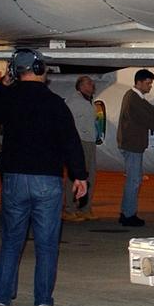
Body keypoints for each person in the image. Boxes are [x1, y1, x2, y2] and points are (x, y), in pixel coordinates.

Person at [0, 48, 87, 306]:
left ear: (15, 72)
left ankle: (2, 302)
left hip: (15, 179)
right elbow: (70, 142)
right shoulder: (55, 103)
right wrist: (80, 176)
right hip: (47, 181)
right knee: (47, 244)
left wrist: (2, 86)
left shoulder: (9, 98)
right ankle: (42, 304)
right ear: (40, 69)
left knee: (11, 243)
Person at [117, 69, 154, 227]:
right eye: (148, 83)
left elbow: (151, 110)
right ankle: (128, 215)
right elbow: (147, 118)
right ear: (138, 82)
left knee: (134, 180)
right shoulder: (133, 99)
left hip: (132, 144)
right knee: (134, 181)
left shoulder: (135, 97)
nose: (150, 86)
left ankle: (127, 213)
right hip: (132, 145)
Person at [63, 75, 100, 221]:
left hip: (90, 141)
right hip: (79, 141)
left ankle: (85, 207)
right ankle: (69, 208)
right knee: (76, 175)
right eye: (88, 83)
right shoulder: (74, 101)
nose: (92, 85)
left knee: (90, 175)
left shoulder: (89, 101)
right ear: (80, 86)